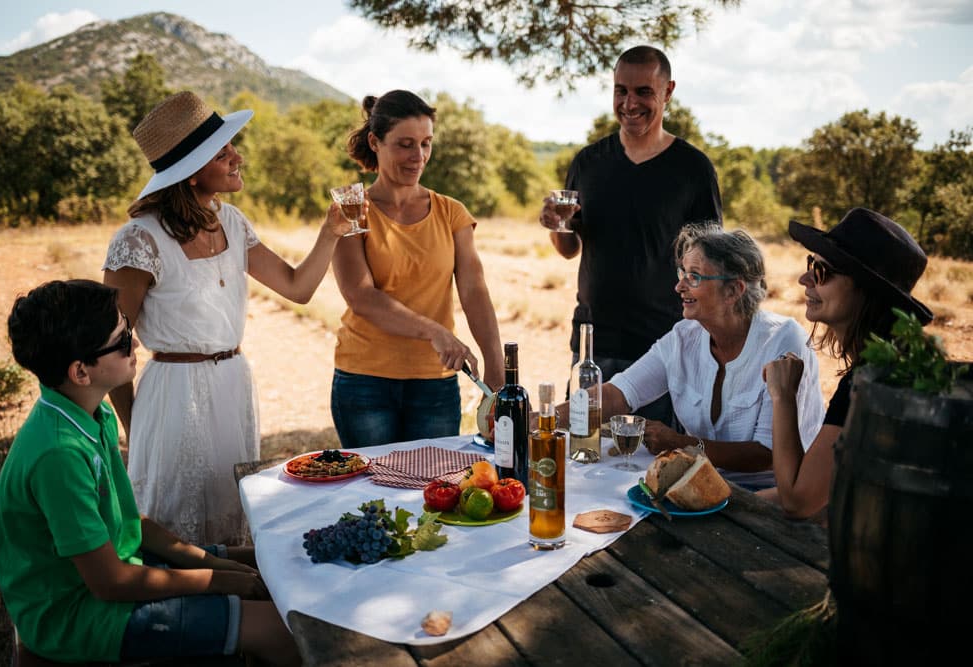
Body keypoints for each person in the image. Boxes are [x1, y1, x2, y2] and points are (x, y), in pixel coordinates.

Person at [0, 279, 298, 665]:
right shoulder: (59, 454)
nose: (135, 345)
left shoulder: (89, 411)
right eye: (121, 342)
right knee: (279, 629)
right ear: (81, 372)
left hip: (118, 573)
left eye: (128, 330)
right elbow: (110, 583)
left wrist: (214, 562)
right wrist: (215, 580)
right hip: (75, 616)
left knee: (269, 558)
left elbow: (131, 524)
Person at [103, 91, 353, 545]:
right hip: (172, 393)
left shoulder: (233, 222)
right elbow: (110, 340)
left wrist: (330, 232)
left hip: (233, 384)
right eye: (223, 153)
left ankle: (237, 608)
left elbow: (297, 288)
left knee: (230, 512)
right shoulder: (139, 240)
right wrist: (136, 424)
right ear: (192, 172)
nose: (238, 157)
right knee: (174, 516)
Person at [554, 225, 825, 490]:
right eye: (682, 272)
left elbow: (767, 454)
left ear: (733, 290)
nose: (679, 286)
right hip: (696, 486)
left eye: (694, 276)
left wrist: (681, 443)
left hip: (769, 499)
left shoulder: (783, 341)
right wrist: (546, 419)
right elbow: (619, 393)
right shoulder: (684, 337)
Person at [538, 45, 722, 425]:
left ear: (668, 92)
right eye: (621, 90)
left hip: (665, 347)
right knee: (584, 458)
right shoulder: (589, 163)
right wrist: (557, 225)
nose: (629, 102)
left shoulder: (693, 169)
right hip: (593, 343)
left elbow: (712, 263)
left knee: (655, 469)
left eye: (643, 92)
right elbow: (570, 248)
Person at [331, 90, 503, 448]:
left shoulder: (451, 212)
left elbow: (474, 292)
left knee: (432, 496)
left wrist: (496, 369)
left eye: (426, 143)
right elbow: (361, 296)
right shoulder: (351, 209)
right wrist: (433, 331)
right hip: (364, 382)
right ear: (375, 142)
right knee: (370, 497)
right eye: (405, 144)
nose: (418, 156)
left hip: (435, 386)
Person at [761, 208, 933, 519]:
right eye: (811, 264)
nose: (805, 278)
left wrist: (783, 397)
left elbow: (798, 500)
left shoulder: (871, 379)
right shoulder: (893, 362)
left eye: (822, 271)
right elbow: (829, 489)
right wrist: (733, 501)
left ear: (866, 290)